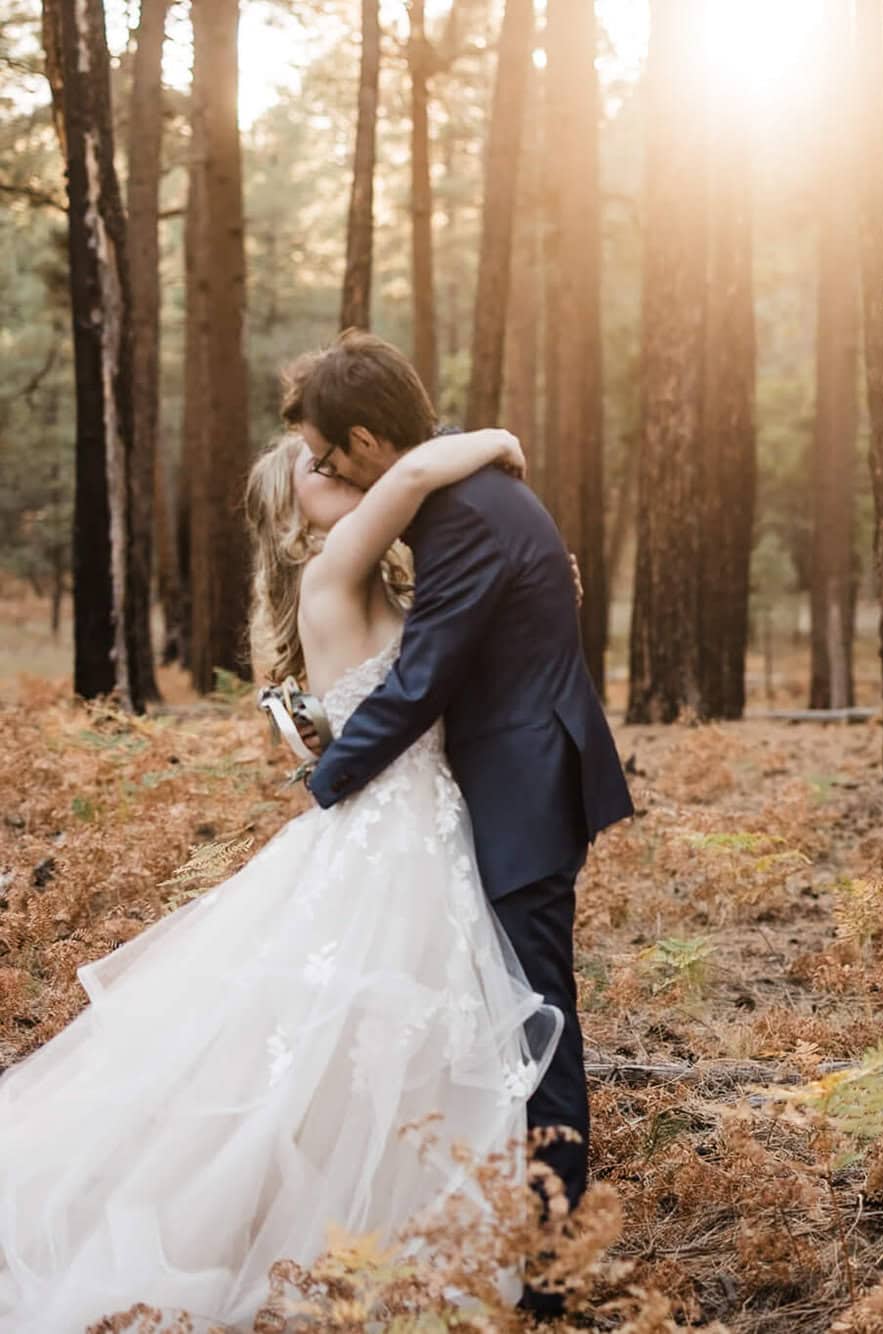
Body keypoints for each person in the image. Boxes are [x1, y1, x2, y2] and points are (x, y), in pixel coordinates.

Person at [0, 428, 559, 1329]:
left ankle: (381, 1232)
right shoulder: (332, 567)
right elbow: (413, 470)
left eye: (337, 454)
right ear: (291, 506)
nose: (333, 466)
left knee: (390, 1045)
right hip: (388, 840)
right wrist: (497, 438)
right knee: (342, 1033)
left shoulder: (386, 579)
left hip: (431, 832)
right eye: (313, 463)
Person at [285, 332, 632, 1312]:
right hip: (507, 781)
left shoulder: (462, 515)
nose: (322, 468)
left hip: (519, 792)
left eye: (324, 450)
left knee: (536, 1027)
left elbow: (421, 678)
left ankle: (552, 1271)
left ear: (360, 441)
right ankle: (510, 1239)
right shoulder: (461, 505)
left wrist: (328, 780)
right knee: (508, 1016)